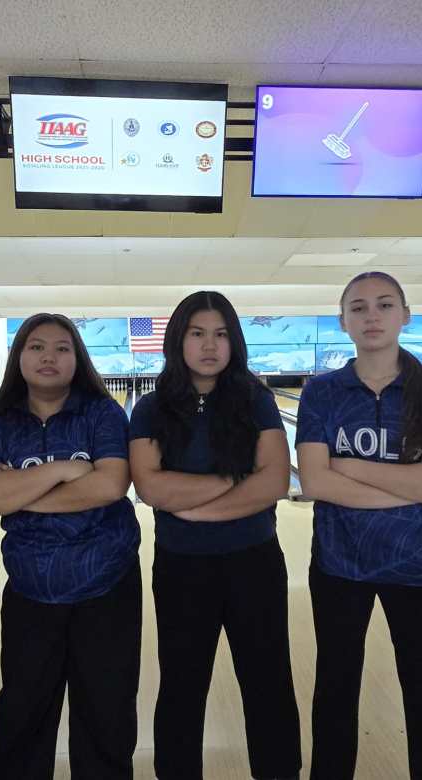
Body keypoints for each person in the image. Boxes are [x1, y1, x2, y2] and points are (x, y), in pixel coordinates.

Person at [295, 271, 422, 780]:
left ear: (405, 315)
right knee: (335, 689)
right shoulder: (322, 392)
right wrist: (414, 481)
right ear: (343, 321)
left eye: (385, 304)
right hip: (340, 565)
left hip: (421, 565)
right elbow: (315, 481)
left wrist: (348, 466)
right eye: (359, 307)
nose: (371, 315)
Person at [129, 291, 302, 780]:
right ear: (178, 340)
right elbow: (150, 487)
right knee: (182, 688)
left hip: (255, 564)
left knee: (268, 683)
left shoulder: (257, 400)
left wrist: (194, 507)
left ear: (235, 342)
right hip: (182, 570)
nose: (210, 345)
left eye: (221, 334)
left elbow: (275, 481)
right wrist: (235, 480)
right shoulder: (151, 408)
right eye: (198, 333)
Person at [0, 313, 141, 780]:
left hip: (107, 586)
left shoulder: (102, 413)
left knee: (106, 713)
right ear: (19, 356)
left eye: (62, 348)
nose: (49, 357)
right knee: (22, 714)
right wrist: (62, 470)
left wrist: (17, 494)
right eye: (37, 347)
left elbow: (110, 486)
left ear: (77, 358)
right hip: (31, 590)